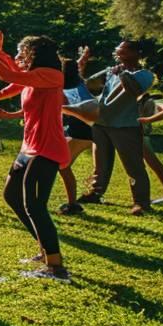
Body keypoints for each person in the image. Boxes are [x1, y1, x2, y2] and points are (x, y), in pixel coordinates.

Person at [0, 23, 71, 281]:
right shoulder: (32, 78)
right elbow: (10, 80)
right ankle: (46, 251)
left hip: (46, 149)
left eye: (23, 52)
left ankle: (56, 268)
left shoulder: (51, 76)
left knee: (35, 205)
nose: (19, 57)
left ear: (36, 53)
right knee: (12, 196)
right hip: (28, 148)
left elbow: (7, 75)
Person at [76, 41, 155, 215]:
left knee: (133, 166)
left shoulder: (145, 75)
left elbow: (134, 90)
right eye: (117, 52)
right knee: (100, 164)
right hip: (102, 123)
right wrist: (83, 64)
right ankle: (95, 193)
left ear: (136, 54)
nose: (118, 55)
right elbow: (88, 85)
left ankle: (141, 202)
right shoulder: (112, 73)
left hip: (125, 126)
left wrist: (123, 74)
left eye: (123, 52)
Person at [57, 52, 95, 215]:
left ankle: (73, 205)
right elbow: (77, 67)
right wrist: (83, 58)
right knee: (63, 164)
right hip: (92, 126)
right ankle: (85, 197)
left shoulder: (60, 86)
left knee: (62, 165)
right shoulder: (79, 81)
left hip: (80, 130)